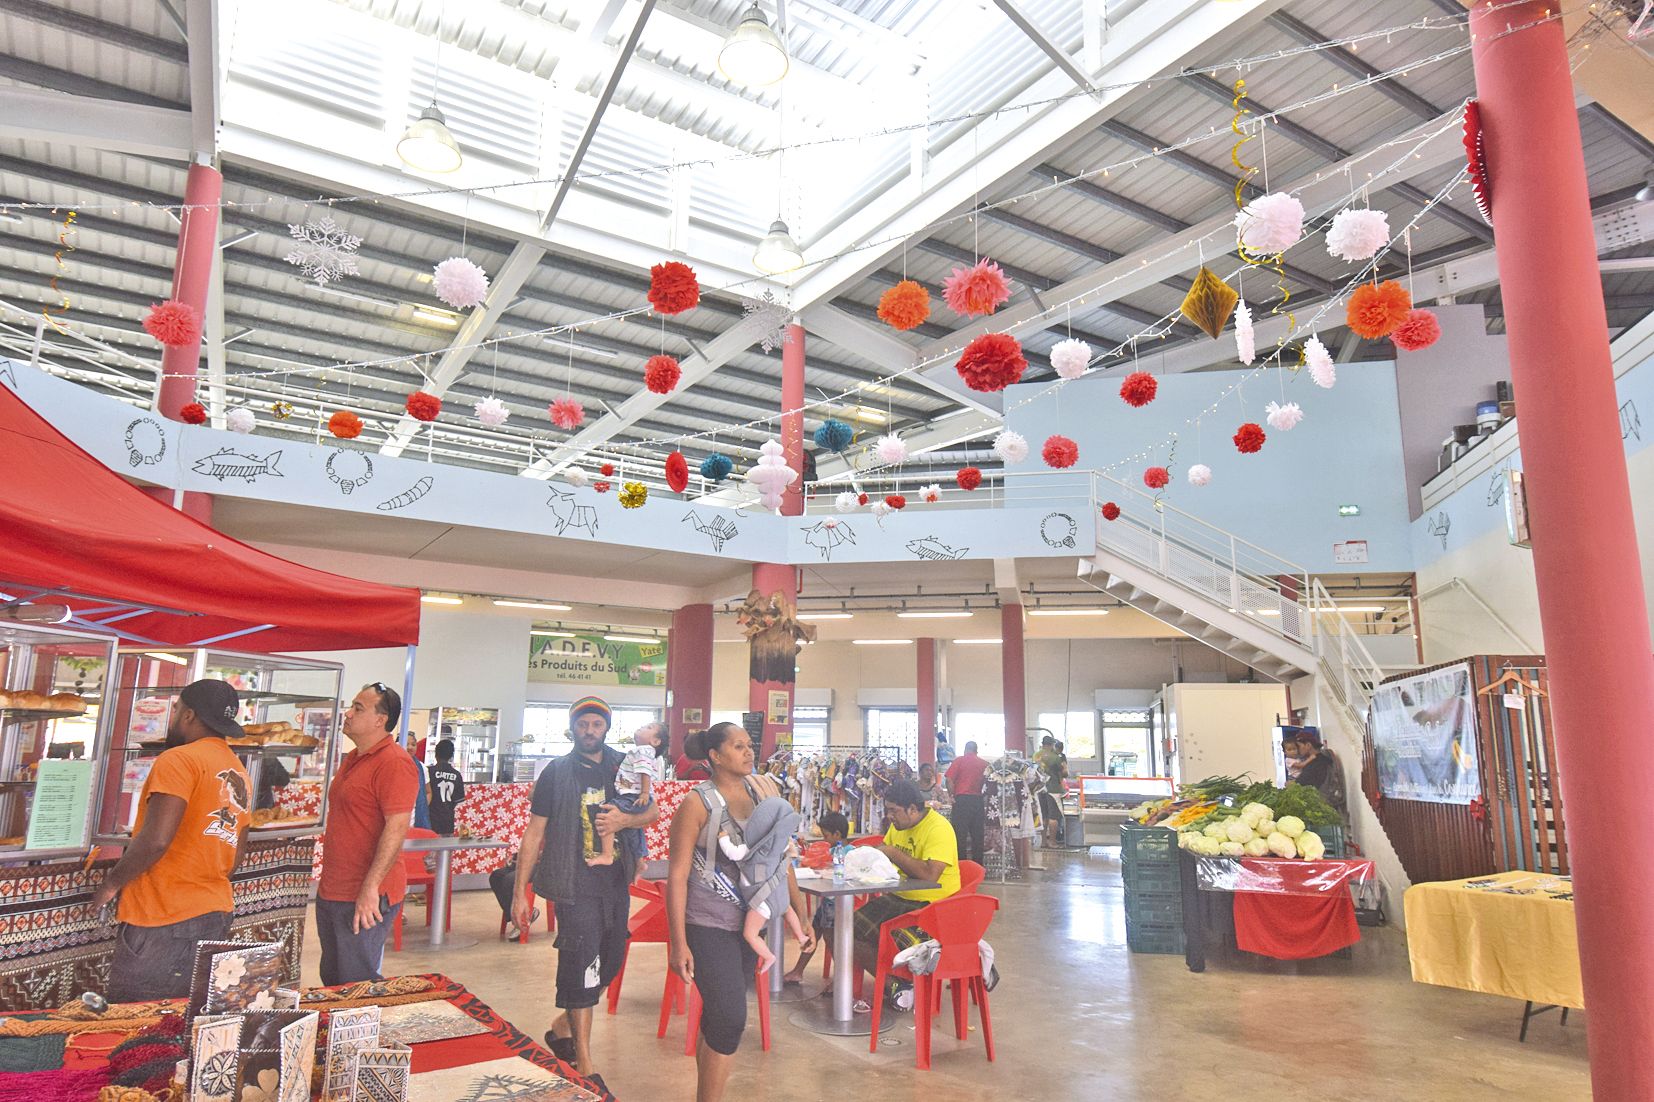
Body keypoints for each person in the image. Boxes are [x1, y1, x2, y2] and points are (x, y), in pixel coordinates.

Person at [514, 696, 659, 1090]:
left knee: (610, 960)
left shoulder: (622, 765)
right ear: (572, 728)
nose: (590, 731)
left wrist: (625, 819)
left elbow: (652, 811)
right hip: (571, 884)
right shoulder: (556, 773)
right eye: (583, 724)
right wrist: (518, 894)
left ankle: (563, 1026)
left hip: (614, 884)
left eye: (596, 724)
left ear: (606, 728)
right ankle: (585, 1062)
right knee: (581, 963)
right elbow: (534, 833)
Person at [667, 722, 811, 1102]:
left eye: (750, 745)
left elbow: (780, 858)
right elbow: (677, 876)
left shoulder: (763, 792)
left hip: (748, 923)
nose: (749, 752)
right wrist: (677, 943)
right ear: (715, 756)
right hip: (706, 924)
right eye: (738, 746)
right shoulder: (696, 803)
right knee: (731, 1019)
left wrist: (800, 909)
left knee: (718, 1018)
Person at [92, 679, 251, 1003]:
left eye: (175, 709)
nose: (173, 717)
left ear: (189, 715)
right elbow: (234, 858)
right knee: (185, 1026)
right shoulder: (238, 770)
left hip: (163, 917)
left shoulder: (178, 760)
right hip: (214, 914)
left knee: (138, 1026)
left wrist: (111, 883)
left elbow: (157, 840)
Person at [315, 683, 421, 986]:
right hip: (334, 889)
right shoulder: (352, 758)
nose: (348, 714)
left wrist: (370, 888)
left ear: (380, 720)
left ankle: (365, 1034)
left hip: (365, 894)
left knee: (356, 983)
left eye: (358, 708)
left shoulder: (395, 762)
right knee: (333, 979)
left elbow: (396, 828)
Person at [851, 779, 960, 1005]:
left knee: (879, 937)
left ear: (912, 809)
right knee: (842, 929)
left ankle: (897, 983)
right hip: (899, 898)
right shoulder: (897, 826)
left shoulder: (938, 829)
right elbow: (884, 861)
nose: (889, 816)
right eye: (887, 810)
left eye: (894, 811)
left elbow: (930, 876)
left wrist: (892, 853)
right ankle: (894, 985)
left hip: (930, 906)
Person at [715, 795, 810, 971]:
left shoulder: (752, 849)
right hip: (779, 895)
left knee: (750, 934)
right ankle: (800, 936)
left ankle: (768, 956)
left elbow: (732, 853)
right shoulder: (778, 845)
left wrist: (723, 839)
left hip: (762, 902)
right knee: (786, 909)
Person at [782, 811, 849, 986]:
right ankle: (798, 971)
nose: (824, 839)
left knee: (831, 939)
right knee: (813, 933)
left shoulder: (848, 852)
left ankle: (841, 980)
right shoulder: (833, 849)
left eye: (826, 835)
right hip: (829, 902)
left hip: (838, 904)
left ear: (837, 835)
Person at [590, 721, 663, 867]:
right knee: (634, 828)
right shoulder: (639, 752)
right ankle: (640, 860)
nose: (642, 726)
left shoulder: (643, 751)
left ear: (655, 741)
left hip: (633, 795)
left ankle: (607, 854)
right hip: (635, 794)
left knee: (608, 812)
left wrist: (643, 793)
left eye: (648, 728)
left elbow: (645, 772)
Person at [945, 739, 989, 865]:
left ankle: (962, 865)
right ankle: (978, 865)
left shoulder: (959, 760)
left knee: (960, 835)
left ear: (965, 749)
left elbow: (949, 780)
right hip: (978, 801)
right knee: (977, 835)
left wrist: (951, 795)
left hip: (962, 800)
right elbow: (988, 784)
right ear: (977, 750)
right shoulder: (984, 764)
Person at [1289, 729, 1348, 819]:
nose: (1297, 750)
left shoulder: (1317, 764)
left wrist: (1291, 784)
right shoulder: (1322, 758)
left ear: (1308, 745)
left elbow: (1302, 783)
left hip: (1322, 807)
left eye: (1299, 746)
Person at [428, 738, 466, 837]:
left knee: (428, 849)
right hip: (447, 821)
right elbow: (458, 800)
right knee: (445, 850)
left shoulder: (428, 771)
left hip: (429, 819)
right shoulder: (456, 775)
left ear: (436, 754)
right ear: (451, 756)